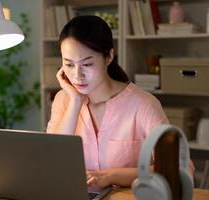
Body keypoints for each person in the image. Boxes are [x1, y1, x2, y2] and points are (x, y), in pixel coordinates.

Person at [46, 15, 194, 189]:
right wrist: (75, 102)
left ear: (109, 56)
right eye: (69, 65)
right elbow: (52, 162)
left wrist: (111, 176)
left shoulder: (143, 104)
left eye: (87, 64)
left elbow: (181, 169)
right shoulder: (65, 100)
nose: (77, 75)